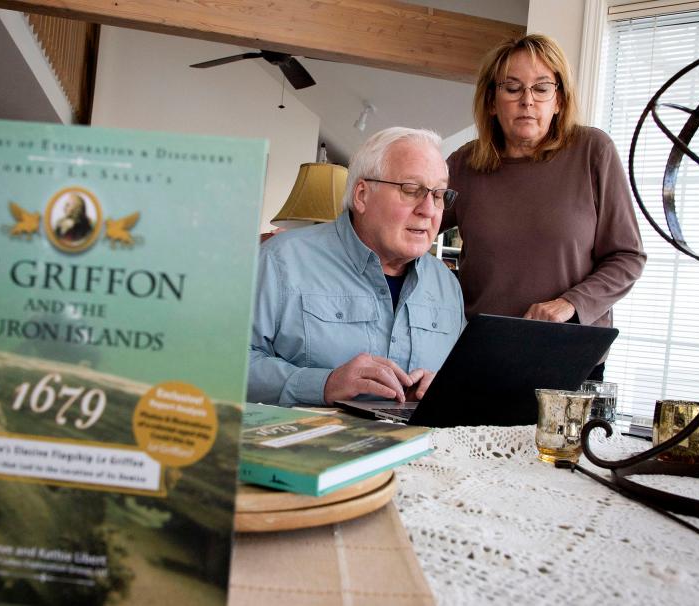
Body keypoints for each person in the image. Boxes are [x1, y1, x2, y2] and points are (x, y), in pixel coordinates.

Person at [444, 34, 646, 380]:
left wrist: (571, 304)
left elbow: (628, 257)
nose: (527, 101)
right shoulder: (464, 164)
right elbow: (410, 230)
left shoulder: (593, 151)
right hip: (483, 354)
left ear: (559, 101)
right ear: (492, 101)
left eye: (541, 88)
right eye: (512, 88)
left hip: (570, 354)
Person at [248, 127, 465, 406]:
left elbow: (461, 376)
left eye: (438, 195)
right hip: (310, 448)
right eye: (412, 190)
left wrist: (444, 386)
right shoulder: (279, 261)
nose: (429, 209)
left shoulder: (446, 285)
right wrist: (323, 384)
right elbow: (223, 364)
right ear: (362, 195)